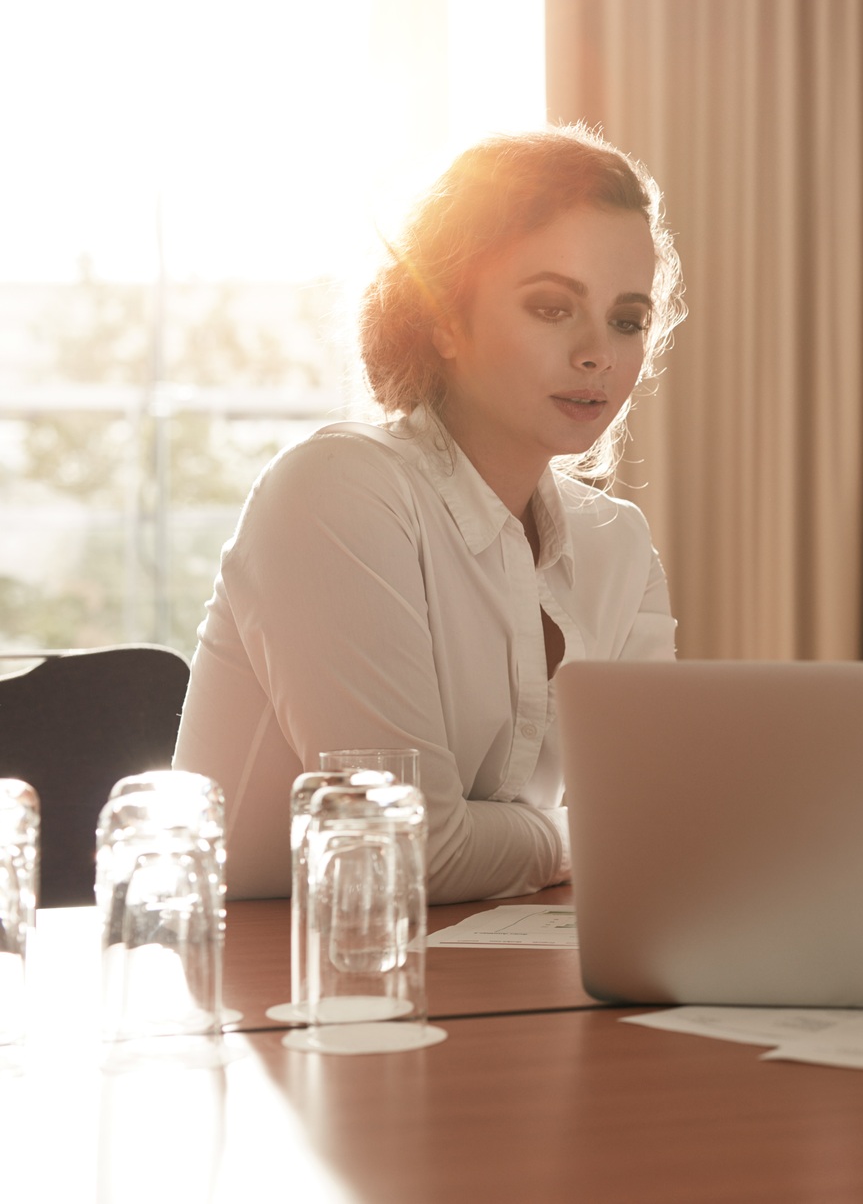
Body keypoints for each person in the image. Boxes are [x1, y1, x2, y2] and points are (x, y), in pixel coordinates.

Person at [173, 126, 683, 903]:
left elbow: (658, 821)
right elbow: (411, 849)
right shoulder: (336, 489)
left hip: (499, 961)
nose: (598, 354)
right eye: (553, 307)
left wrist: (606, 834)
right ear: (443, 316)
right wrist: (585, 835)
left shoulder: (618, 543)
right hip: (269, 982)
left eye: (627, 319)